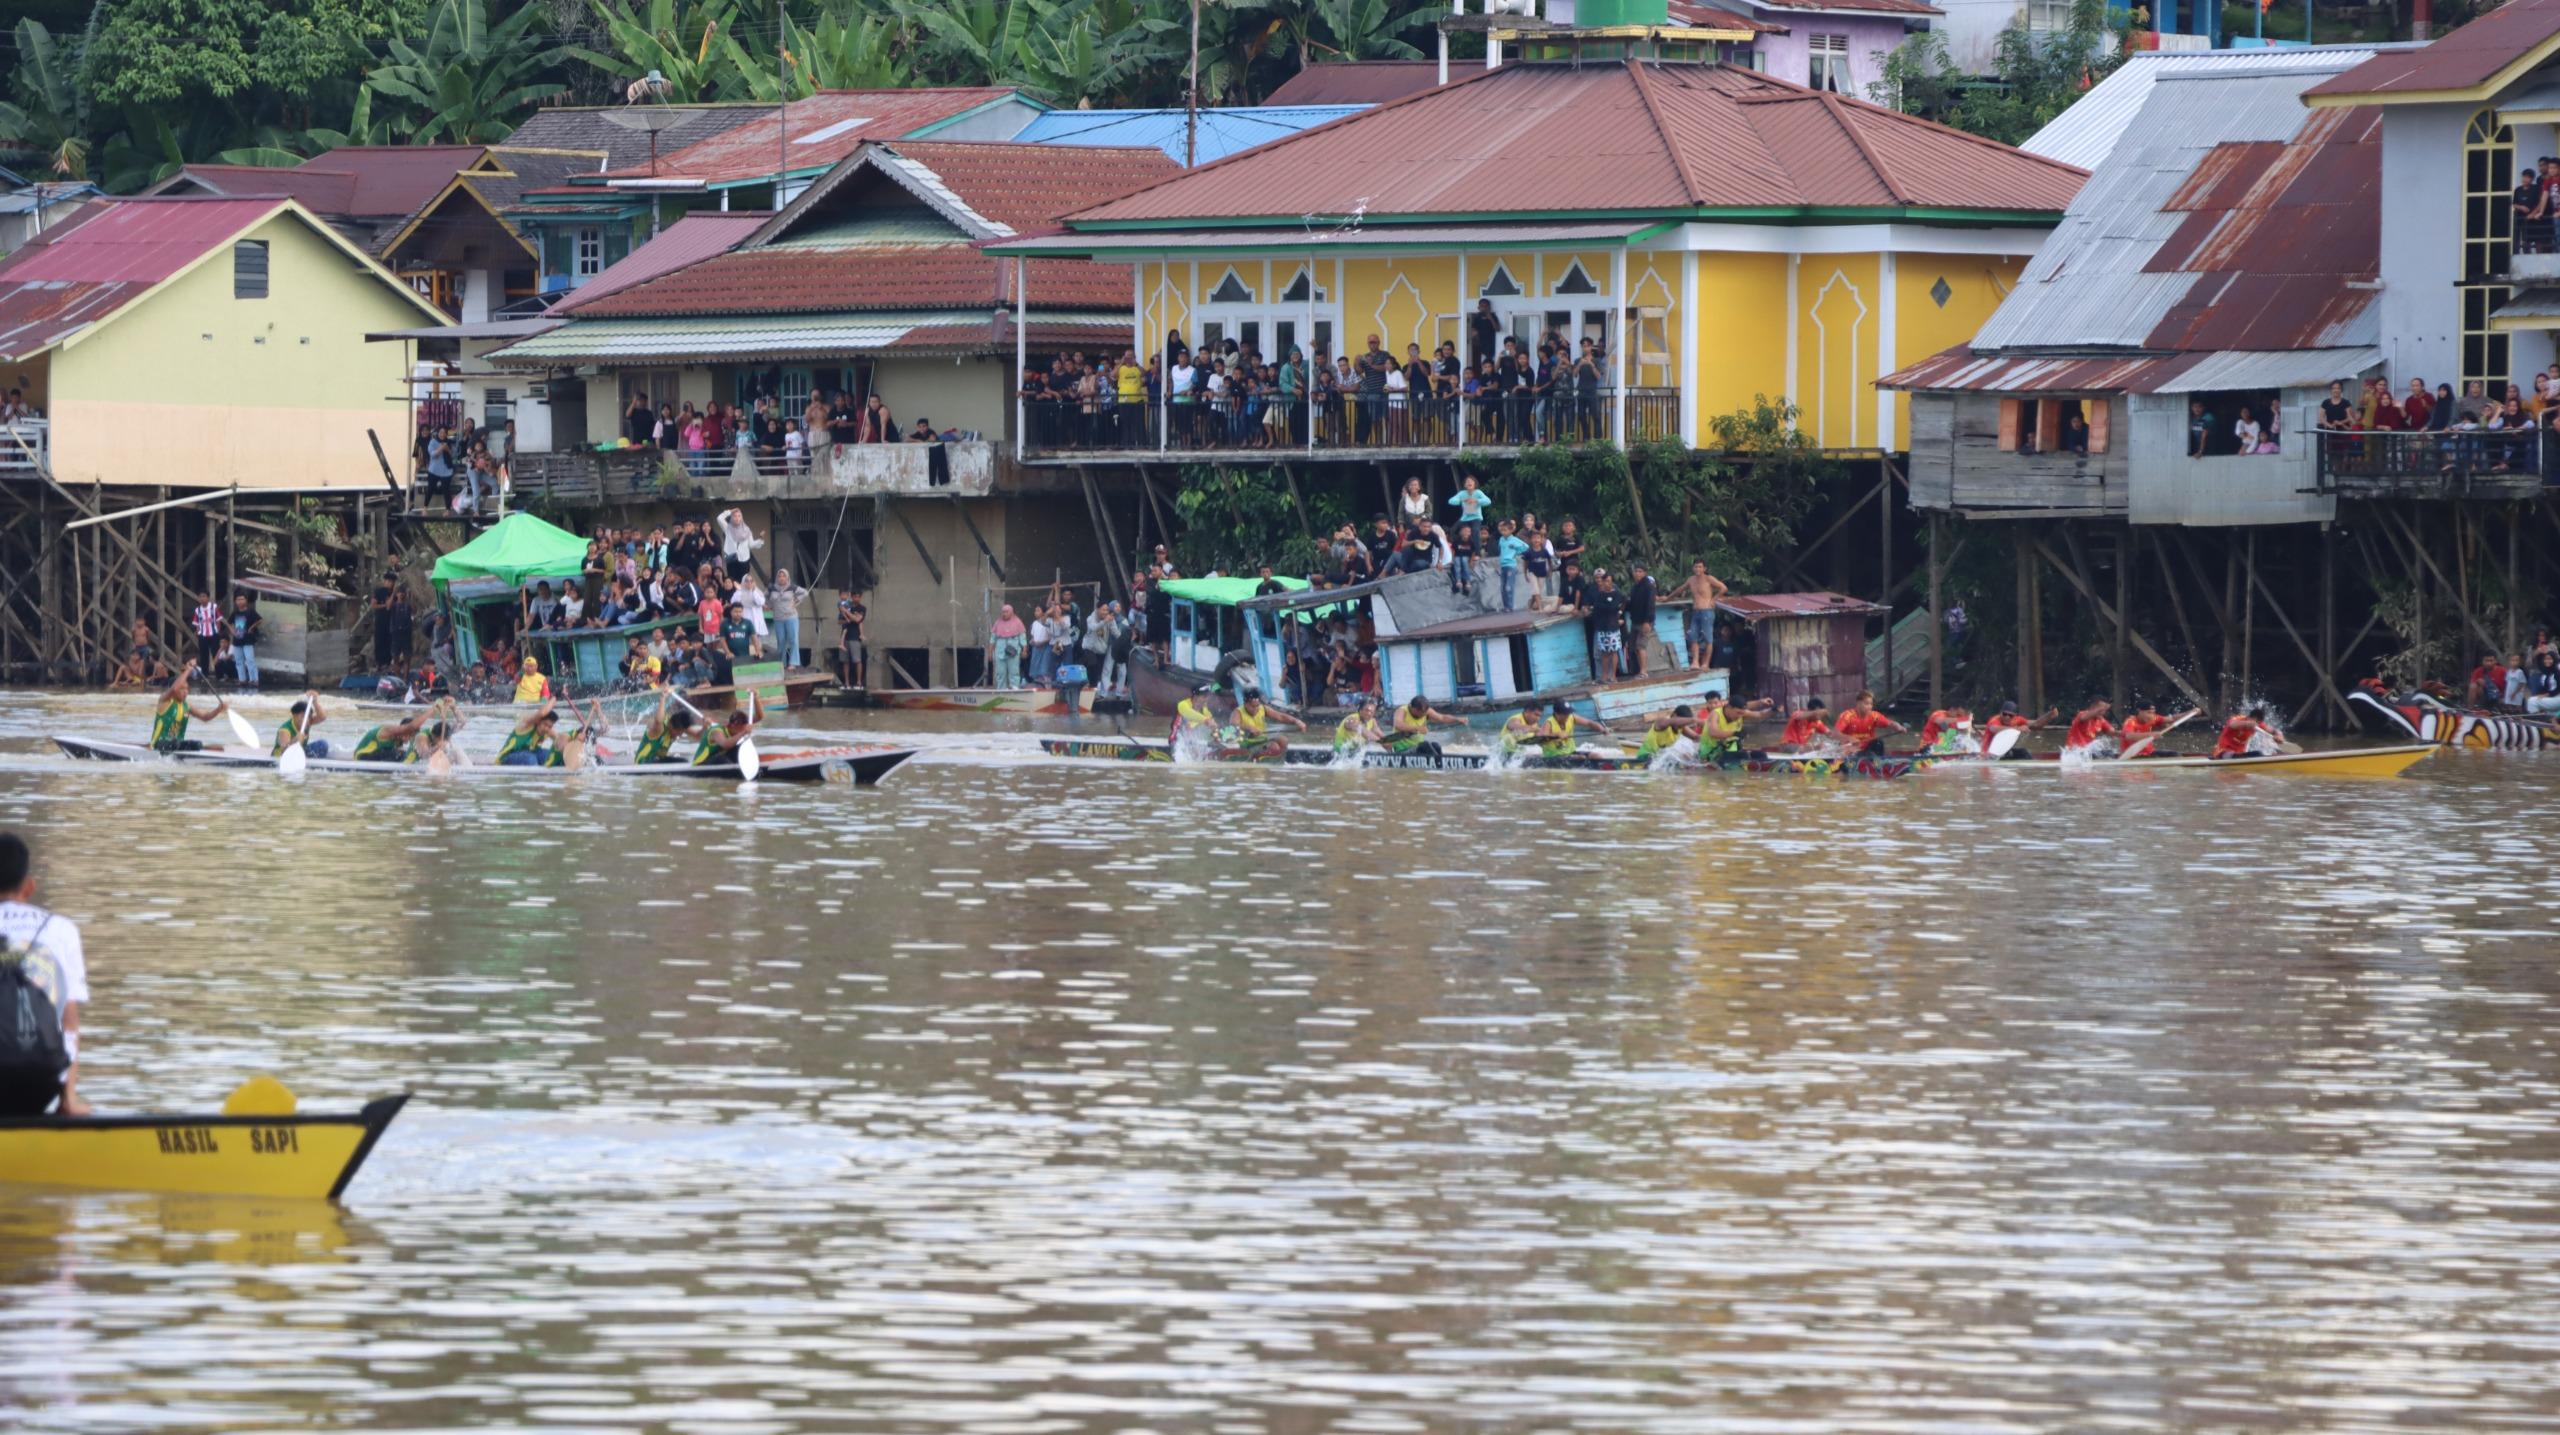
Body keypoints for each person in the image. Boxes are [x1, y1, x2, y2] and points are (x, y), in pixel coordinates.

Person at [0, 833, 88, 1116]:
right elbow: (69, 1020)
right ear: (29, 887)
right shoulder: (61, 929)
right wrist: (68, 1099)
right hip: (40, 1082)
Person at [149, 666, 230, 752]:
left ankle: (202, 748)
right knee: (175, 744)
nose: (185, 692)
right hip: (159, 744)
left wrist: (218, 709)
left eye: (187, 689)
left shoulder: (187, 706)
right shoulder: (164, 701)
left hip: (177, 744)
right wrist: (188, 670)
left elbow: (205, 717)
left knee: (196, 744)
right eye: (182, 689)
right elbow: (174, 688)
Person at [1674, 562, 1727, 670]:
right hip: (1696, 612)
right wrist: (1666, 598)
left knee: (1708, 639)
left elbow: (1723, 588)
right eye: (1696, 567)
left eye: (1700, 567)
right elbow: (1680, 589)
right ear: (1693, 568)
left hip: (1706, 610)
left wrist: (1714, 599)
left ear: (1704, 568)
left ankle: (1705, 663)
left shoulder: (1708, 578)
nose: (1698, 569)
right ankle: (1695, 662)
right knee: (1693, 637)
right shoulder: (1691, 580)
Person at [1228, 691, 1305, 758]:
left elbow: (1280, 716)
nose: (1255, 709)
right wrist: (1248, 728)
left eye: (1257, 706)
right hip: (1247, 742)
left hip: (1261, 739)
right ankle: (1259, 759)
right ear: (1245, 704)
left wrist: (1297, 721)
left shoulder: (1263, 708)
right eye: (1252, 706)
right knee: (1274, 747)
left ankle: (1280, 761)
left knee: (1283, 740)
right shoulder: (1238, 712)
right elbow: (1233, 726)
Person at [1386, 695, 1466, 755]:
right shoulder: (1402, 711)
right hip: (1402, 750)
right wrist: (1418, 729)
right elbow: (1398, 725)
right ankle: (1438, 764)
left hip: (1417, 748)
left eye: (1425, 713)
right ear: (1414, 709)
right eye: (1422, 713)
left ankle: (1440, 766)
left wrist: (1457, 719)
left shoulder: (1425, 711)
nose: (1424, 715)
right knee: (1425, 745)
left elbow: (1442, 718)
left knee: (1436, 745)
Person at [1832, 690, 1906, 754]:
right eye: (1866, 704)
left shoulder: (1874, 716)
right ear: (1858, 703)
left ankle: (1877, 764)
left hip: (1867, 750)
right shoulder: (1847, 716)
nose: (1869, 707)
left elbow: (1890, 723)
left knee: (1878, 742)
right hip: (1850, 749)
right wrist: (1850, 738)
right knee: (1850, 750)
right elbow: (1835, 734)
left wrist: (1898, 726)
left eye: (1871, 704)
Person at [634, 693, 699, 764]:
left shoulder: (679, 726)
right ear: (671, 725)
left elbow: (698, 735)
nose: (679, 736)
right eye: (678, 733)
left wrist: (706, 726)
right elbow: (658, 720)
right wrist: (663, 698)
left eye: (681, 733)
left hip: (658, 761)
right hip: (643, 762)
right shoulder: (659, 729)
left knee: (683, 762)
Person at [497, 701, 563, 767]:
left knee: (554, 757)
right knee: (530, 758)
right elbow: (541, 713)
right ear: (538, 721)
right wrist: (555, 696)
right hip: (507, 757)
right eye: (545, 724)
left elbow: (562, 742)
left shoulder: (548, 731)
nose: (546, 728)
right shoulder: (527, 725)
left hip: (530, 754)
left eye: (550, 726)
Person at [1534, 698, 1606, 757]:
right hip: (1554, 756)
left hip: (1571, 753)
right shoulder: (1549, 723)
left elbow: (1589, 723)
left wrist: (1601, 728)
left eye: (1568, 713)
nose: (1568, 715)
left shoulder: (1572, 717)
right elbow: (1541, 741)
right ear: (1556, 713)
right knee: (1581, 758)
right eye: (1565, 713)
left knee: (1597, 756)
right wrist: (1556, 734)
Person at [272, 692, 331, 759]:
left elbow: (322, 717)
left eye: (308, 717)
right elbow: (284, 750)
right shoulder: (285, 730)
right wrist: (295, 740)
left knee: (322, 744)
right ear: (294, 715)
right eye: (302, 716)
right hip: (280, 756)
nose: (305, 720)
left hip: (299, 752)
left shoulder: (307, 722)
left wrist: (315, 702)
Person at [768, 568, 807, 669]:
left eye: (783, 576)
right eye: (779, 576)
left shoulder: (792, 587)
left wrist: (797, 600)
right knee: (781, 641)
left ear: (787, 577)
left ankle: (793, 663)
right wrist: (767, 605)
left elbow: (805, 592)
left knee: (793, 640)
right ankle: (781, 663)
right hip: (778, 618)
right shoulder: (772, 588)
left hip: (791, 617)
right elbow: (763, 597)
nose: (781, 578)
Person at [2213, 706, 2280, 759]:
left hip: (2239, 754)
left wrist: (2279, 735)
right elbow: (2232, 724)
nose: (2256, 725)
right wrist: (2246, 724)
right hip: (2222, 753)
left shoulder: (2258, 724)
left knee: (2259, 754)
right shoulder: (2238, 719)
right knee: (2257, 754)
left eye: (2258, 723)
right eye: (2255, 722)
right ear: (2250, 718)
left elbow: (2274, 731)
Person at [227, 594, 263, 687]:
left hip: (248, 640)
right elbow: (229, 623)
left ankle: (254, 680)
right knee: (239, 661)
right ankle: (242, 680)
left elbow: (260, 620)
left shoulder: (250, 611)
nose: (239, 601)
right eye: (238, 599)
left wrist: (251, 627)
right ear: (235, 601)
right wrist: (232, 631)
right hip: (237, 640)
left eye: (241, 599)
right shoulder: (235, 613)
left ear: (246, 601)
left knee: (250, 660)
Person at [838, 590, 868, 688]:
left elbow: (858, 620)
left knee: (857, 660)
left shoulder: (862, 608)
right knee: (845, 661)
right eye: (854, 596)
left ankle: (859, 682)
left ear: (861, 597)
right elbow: (840, 621)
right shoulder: (846, 605)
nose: (856, 598)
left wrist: (847, 613)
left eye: (858, 596)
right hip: (845, 635)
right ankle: (846, 683)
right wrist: (851, 617)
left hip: (855, 637)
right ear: (851, 596)